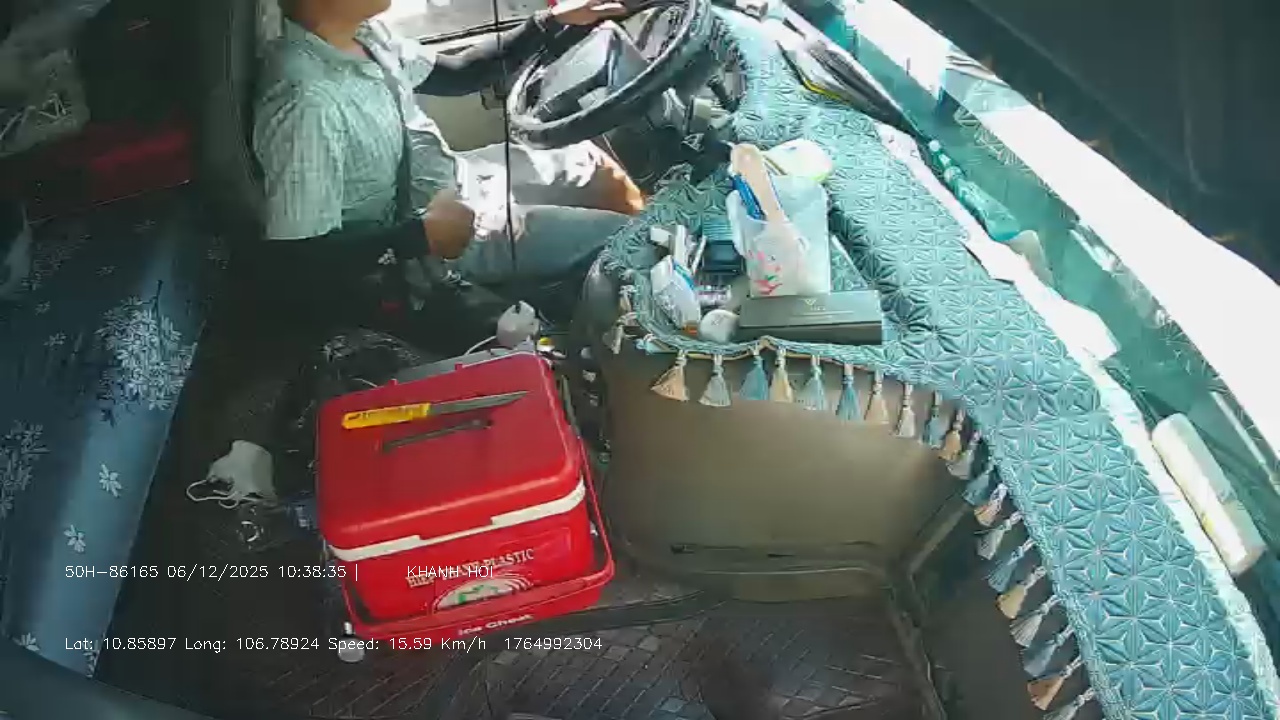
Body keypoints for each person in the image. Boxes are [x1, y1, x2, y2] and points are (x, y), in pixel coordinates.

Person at [252, 0, 645, 318]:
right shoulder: (306, 102)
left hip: (461, 176)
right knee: (631, 244)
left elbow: (459, 73)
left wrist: (550, 22)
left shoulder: (365, 35)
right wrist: (419, 236)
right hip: (437, 238)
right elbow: (297, 258)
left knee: (592, 164)